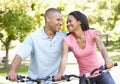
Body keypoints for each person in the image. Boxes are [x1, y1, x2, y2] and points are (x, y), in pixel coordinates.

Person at [7, 8, 102, 84]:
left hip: (53, 81)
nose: (61, 23)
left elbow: (81, 33)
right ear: (48, 19)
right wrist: (12, 71)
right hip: (34, 81)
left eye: (61, 20)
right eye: (58, 20)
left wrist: (95, 31)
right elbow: (20, 55)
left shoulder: (64, 37)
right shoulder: (33, 37)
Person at [54, 11, 115, 84]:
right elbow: (64, 58)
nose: (68, 24)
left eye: (70, 21)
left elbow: (102, 48)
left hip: (101, 73)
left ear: (79, 22)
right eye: (67, 22)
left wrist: (107, 60)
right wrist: (60, 74)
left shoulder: (92, 33)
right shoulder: (67, 40)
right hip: (84, 77)